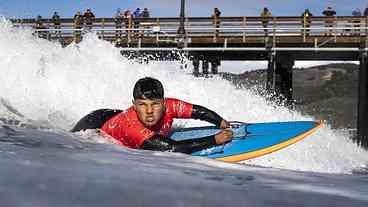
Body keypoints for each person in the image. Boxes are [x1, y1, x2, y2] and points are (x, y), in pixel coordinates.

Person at [72, 77, 233, 153]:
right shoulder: (132, 128)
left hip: (116, 117)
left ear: (163, 103)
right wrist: (214, 140)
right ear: (134, 105)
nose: (149, 111)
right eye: (142, 105)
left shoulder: (170, 105)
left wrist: (220, 121)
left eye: (154, 104)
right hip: (95, 124)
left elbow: (197, 111)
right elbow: (172, 148)